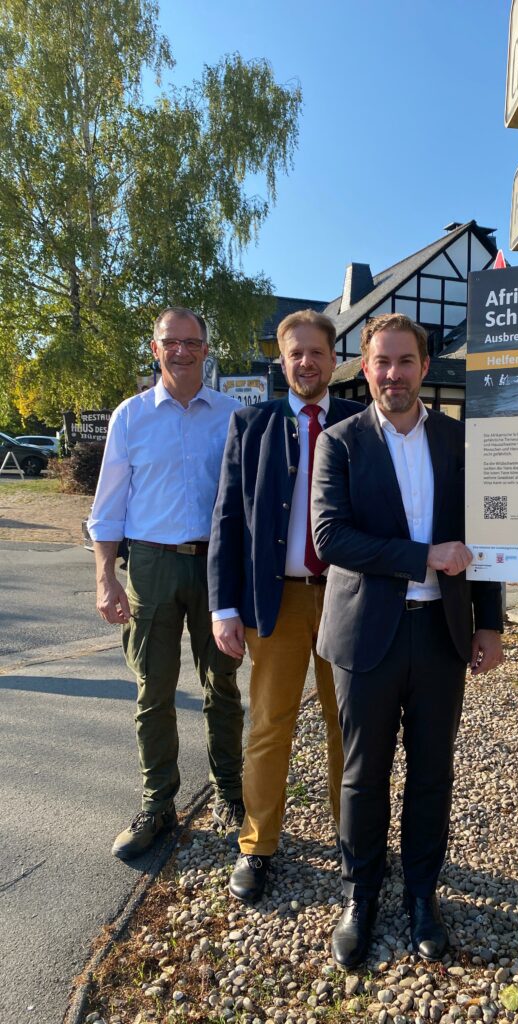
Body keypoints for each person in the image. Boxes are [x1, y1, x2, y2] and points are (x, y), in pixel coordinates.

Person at [312, 313, 504, 968]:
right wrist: (424, 556)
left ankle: (423, 896)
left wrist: (491, 621)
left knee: (431, 775)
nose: (392, 374)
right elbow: (330, 538)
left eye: (404, 361)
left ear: (424, 367)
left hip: (441, 635)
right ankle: (360, 896)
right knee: (364, 778)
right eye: (381, 362)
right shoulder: (339, 443)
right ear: (364, 369)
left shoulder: (455, 440)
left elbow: (480, 540)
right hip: (368, 634)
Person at [207, 309, 363, 903]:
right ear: (281, 360)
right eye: (294, 353)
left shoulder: (359, 422)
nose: (306, 362)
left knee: (347, 727)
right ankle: (257, 844)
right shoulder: (252, 425)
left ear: (333, 358)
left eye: (316, 352)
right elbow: (226, 521)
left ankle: (353, 841)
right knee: (269, 725)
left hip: (348, 599)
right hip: (275, 602)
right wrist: (225, 607)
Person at [88, 306, 244, 860]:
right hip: (150, 567)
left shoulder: (232, 416)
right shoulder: (130, 418)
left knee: (221, 686)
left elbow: (245, 506)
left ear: (207, 348)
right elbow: (107, 509)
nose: (181, 351)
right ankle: (158, 803)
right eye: (170, 342)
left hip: (215, 567)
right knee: (152, 691)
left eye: (191, 342)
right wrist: (106, 577)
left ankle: (231, 792)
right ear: (154, 349)